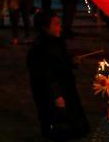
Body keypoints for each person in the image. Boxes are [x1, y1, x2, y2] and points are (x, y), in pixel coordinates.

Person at [27, 11, 89, 141]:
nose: (59, 27)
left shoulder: (57, 41)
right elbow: (44, 74)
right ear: (45, 27)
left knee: (70, 120)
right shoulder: (40, 48)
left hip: (64, 86)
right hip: (52, 91)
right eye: (55, 24)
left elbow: (62, 61)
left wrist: (72, 60)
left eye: (59, 24)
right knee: (57, 123)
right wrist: (56, 95)